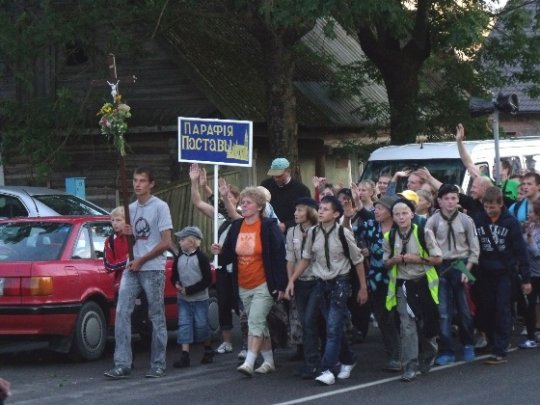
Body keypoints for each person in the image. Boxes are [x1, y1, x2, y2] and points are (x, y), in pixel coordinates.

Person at [286, 195, 368, 386]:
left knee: (332, 328)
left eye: (325, 209)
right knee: (334, 327)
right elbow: (305, 259)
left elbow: (357, 261)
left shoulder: (343, 233)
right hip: (321, 284)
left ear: (336, 214)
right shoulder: (313, 233)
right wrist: (292, 280)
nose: (321, 211)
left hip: (340, 283)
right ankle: (348, 359)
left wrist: (363, 288)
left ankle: (328, 368)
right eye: (320, 208)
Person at [210, 187, 288, 377]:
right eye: (242, 202)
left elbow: (280, 257)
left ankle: (249, 361)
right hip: (244, 284)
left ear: (260, 207)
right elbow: (229, 256)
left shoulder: (268, 226)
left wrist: (281, 285)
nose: (243, 206)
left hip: (264, 283)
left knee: (255, 320)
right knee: (260, 325)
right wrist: (219, 251)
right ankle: (269, 361)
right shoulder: (237, 227)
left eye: (248, 203)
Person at [104, 166, 173, 379]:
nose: (137, 184)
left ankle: (158, 363)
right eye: (135, 180)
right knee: (122, 312)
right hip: (131, 266)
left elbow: (166, 242)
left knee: (156, 315)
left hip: (151, 268)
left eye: (142, 180)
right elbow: (134, 237)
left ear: (151, 184)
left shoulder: (160, 207)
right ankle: (122, 363)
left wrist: (142, 259)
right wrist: (127, 234)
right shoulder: (130, 208)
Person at [189, 164, 247, 357]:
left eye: (230, 197)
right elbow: (198, 203)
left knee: (243, 306)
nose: (226, 200)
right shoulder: (220, 217)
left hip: (240, 268)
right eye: (225, 197)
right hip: (222, 267)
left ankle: (249, 343)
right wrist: (195, 183)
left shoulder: (242, 219)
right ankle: (227, 342)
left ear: (237, 200)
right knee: (223, 304)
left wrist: (212, 191)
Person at [383, 198, 442, 382]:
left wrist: (416, 259)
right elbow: (385, 263)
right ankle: (409, 364)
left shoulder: (424, 233)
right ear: (392, 217)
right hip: (403, 286)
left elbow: (438, 258)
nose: (401, 217)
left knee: (426, 323)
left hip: (423, 283)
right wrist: (395, 260)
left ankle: (430, 352)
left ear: (412, 215)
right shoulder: (389, 237)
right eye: (397, 214)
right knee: (406, 325)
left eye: (404, 213)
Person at [473, 186, 531, 365]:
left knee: (502, 310)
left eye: (493, 207)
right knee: (487, 310)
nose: (489, 211)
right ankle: (492, 342)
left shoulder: (510, 222)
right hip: (484, 273)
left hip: (505, 273)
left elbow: (521, 251)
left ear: (501, 204)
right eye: (486, 207)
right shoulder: (479, 219)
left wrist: (526, 278)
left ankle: (501, 349)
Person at [425, 184, 479, 365]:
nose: (450, 202)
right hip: (441, 267)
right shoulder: (432, 221)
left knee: (465, 310)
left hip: (461, 264)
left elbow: (474, 248)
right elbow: (428, 243)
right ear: (439, 201)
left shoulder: (466, 220)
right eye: (446, 198)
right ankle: (446, 349)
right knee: (443, 312)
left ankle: (468, 344)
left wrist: (469, 268)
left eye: (454, 198)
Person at [356, 194, 401, 371]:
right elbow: (351, 237)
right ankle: (394, 355)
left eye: (381, 208)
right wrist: (363, 248)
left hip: (400, 277)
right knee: (384, 317)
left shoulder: (401, 228)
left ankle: (412, 350)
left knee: (402, 316)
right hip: (377, 278)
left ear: (391, 212)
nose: (376, 211)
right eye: (376, 207)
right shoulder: (369, 226)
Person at [285, 196, 320, 378]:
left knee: (310, 321)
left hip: (317, 281)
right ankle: (311, 361)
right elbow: (290, 258)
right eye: (295, 210)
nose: (295, 213)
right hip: (301, 283)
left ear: (310, 211)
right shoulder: (291, 232)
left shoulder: (318, 230)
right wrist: (291, 281)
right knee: (305, 322)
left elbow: (308, 260)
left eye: (300, 210)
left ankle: (316, 360)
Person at [170, 226, 214, 368]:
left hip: (199, 299)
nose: (180, 242)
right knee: (184, 325)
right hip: (183, 299)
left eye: (182, 240)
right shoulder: (179, 257)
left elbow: (207, 280)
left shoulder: (202, 258)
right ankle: (185, 355)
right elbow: (174, 275)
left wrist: (189, 290)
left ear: (192, 242)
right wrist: (176, 283)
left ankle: (207, 348)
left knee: (201, 325)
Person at [261, 157, 311, 231]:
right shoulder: (266, 185)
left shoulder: (302, 190)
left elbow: (307, 213)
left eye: (279, 176)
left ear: (289, 171)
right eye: (274, 175)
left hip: (293, 230)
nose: (276, 178)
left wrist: (287, 225)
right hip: (268, 229)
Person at [519, 199, 540, 349]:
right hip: (531, 273)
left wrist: (530, 239)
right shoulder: (530, 227)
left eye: (532, 212)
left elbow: (537, 253)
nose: (528, 214)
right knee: (530, 305)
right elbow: (522, 248)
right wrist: (523, 233)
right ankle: (531, 337)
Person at [104, 206, 129, 291]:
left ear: (127, 221)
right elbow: (109, 266)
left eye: (118, 220)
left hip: (137, 283)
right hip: (119, 285)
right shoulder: (109, 241)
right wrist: (127, 259)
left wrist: (118, 262)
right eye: (112, 220)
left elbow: (139, 259)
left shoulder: (133, 238)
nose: (114, 223)